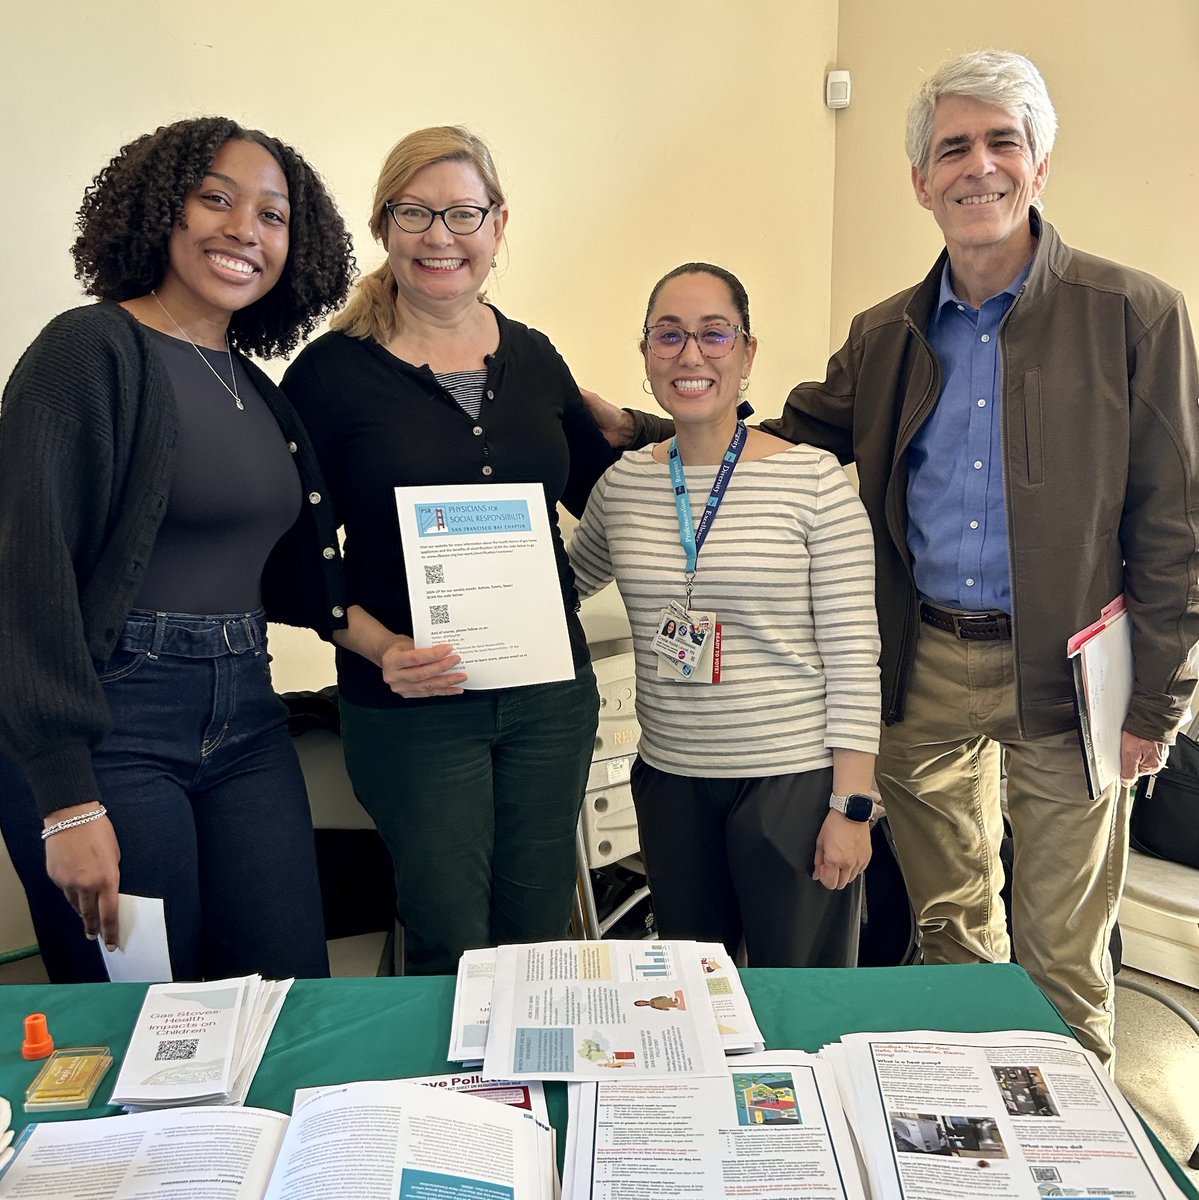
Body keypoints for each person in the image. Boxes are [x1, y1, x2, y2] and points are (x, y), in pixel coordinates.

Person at [585, 52, 1199, 1065]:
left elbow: (1172, 520)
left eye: (1001, 142)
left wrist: (1158, 702)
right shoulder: (885, 335)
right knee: (952, 924)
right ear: (920, 181)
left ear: (1038, 165)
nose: (977, 166)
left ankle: (1071, 1123)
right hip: (922, 668)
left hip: (1069, 668)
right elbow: (783, 438)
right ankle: (971, 1112)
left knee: (1063, 946)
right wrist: (656, 430)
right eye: (950, 147)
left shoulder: (1132, 313)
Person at [0, 117, 355, 982]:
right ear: (160, 211)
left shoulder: (253, 386)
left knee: (286, 990)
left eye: (272, 216)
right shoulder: (86, 352)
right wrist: (65, 801)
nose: (245, 230)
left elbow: (285, 578)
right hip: (111, 727)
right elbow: (24, 579)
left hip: (247, 718)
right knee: (147, 1020)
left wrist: (381, 640)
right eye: (216, 200)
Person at [282, 126, 615, 975]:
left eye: (463, 213)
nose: (440, 237)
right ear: (384, 225)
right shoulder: (330, 375)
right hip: (413, 705)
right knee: (449, 931)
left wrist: (695, 426)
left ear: (498, 225)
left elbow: (608, 494)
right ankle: (455, 1105)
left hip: (547, 698)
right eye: (415, 213)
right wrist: (380, 648)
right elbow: (289, 552)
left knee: (541, 924)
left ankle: (540, 1098)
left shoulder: (535, 357)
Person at [569, 263, 881, 967]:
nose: (691, 354)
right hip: (672, 782)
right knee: (691, 995)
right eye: (668, 335)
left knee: (800, 1001)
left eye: (714, 334)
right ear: (646, 354)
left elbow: (854, 655)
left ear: (746, 353)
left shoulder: (812, 482)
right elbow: (563, 586)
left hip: (792, 785)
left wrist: (852, 805)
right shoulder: (623, 486)